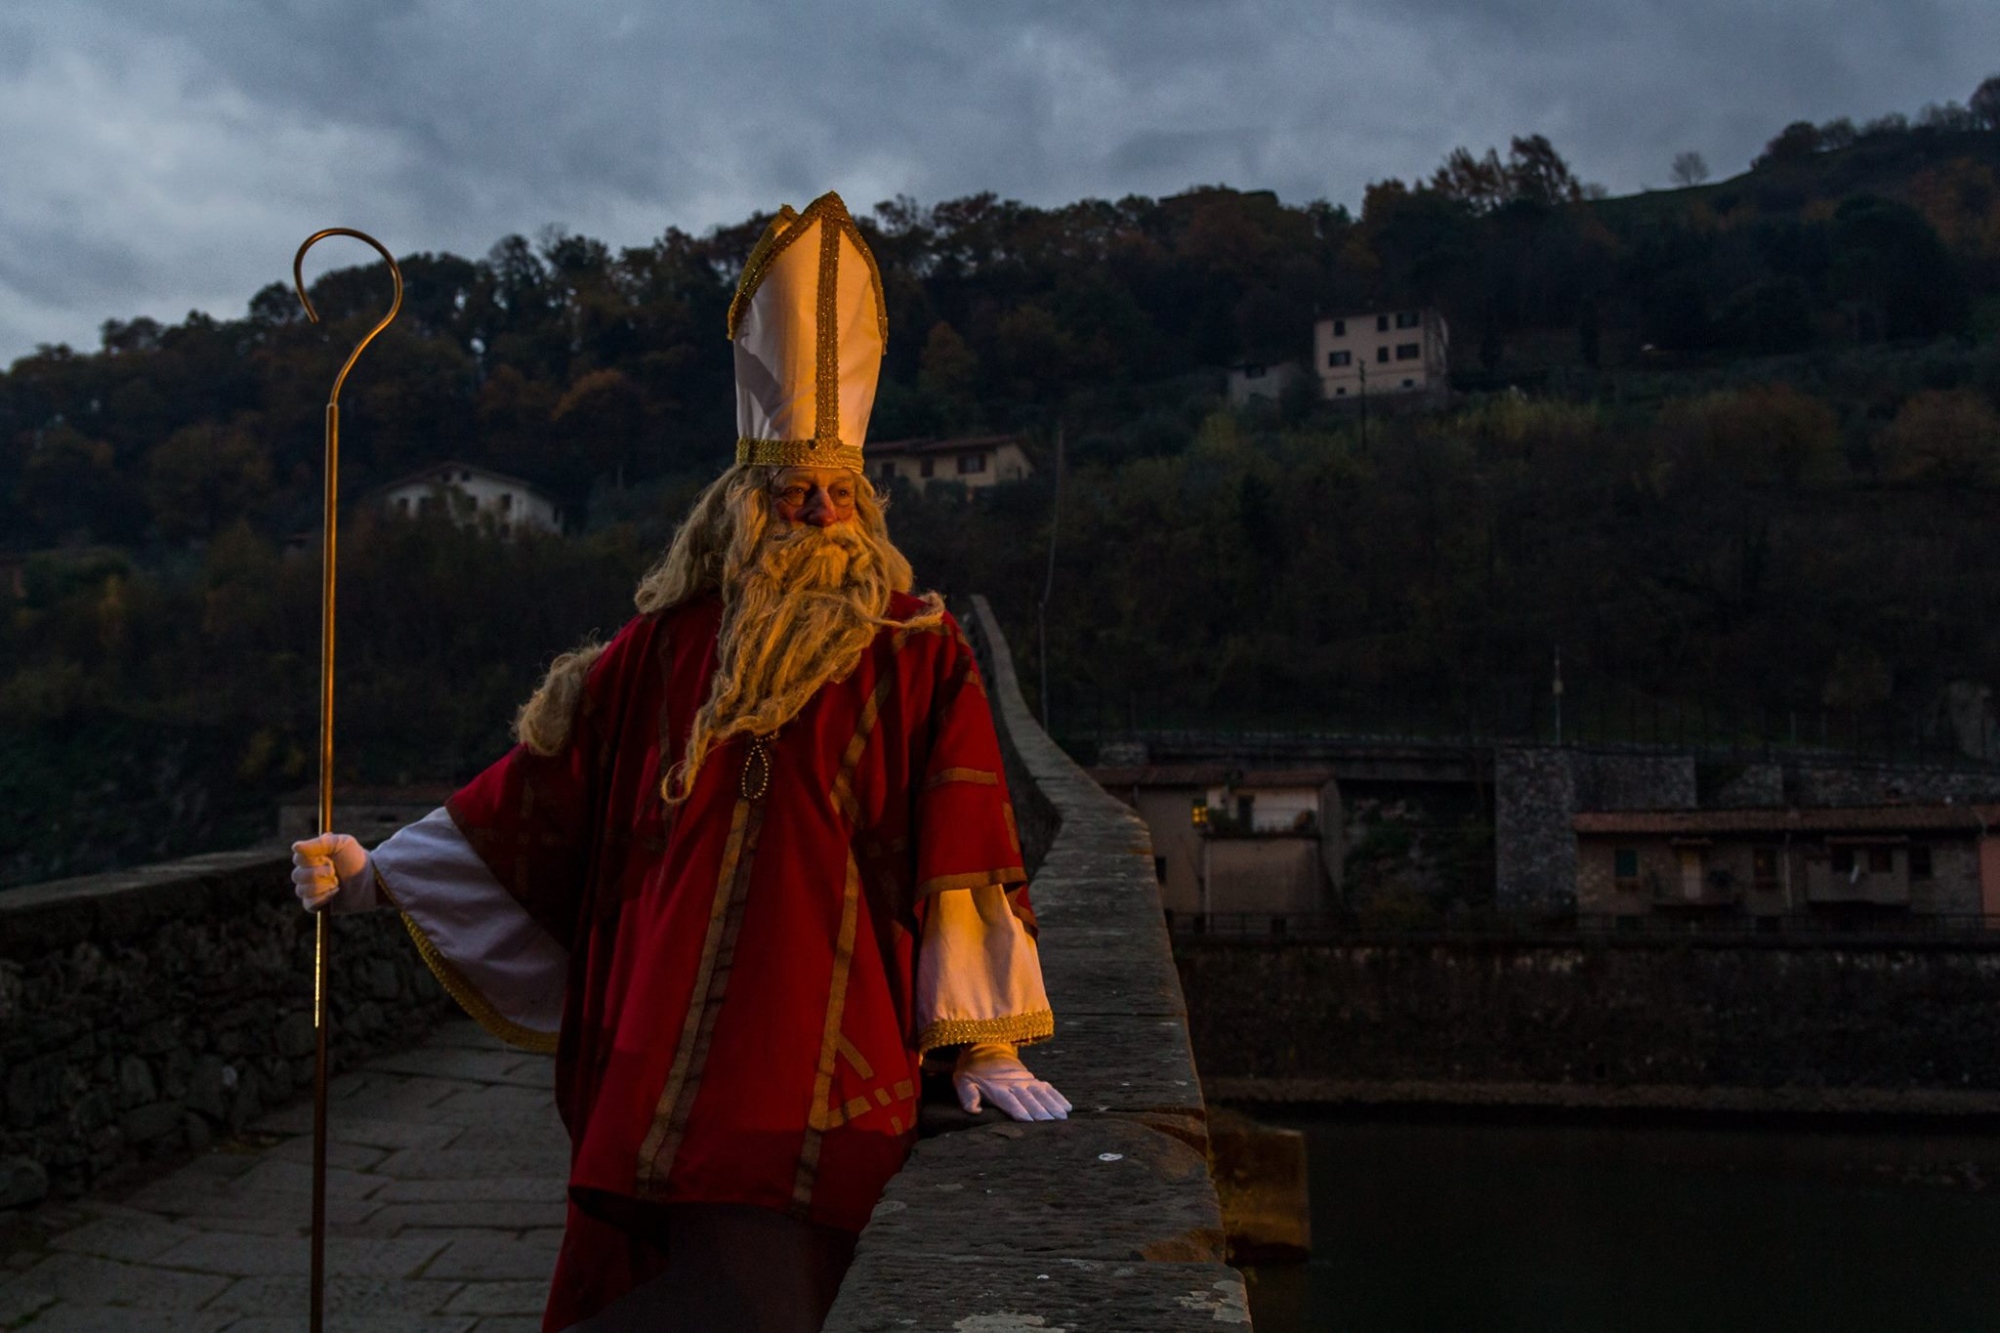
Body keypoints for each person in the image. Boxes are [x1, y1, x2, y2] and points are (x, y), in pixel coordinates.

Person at [291, 191, 1068, 1333]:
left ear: (861, 501)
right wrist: (376, 874)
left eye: (833, 490)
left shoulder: (916, 648)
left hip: (824, 1052)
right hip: (656, 1049)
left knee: (772, 1295)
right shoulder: (658, 649)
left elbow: (962, 840)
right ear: (739, 501)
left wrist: (980, 1034)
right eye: (790, 489)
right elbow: (538, 796)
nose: (810, 504)